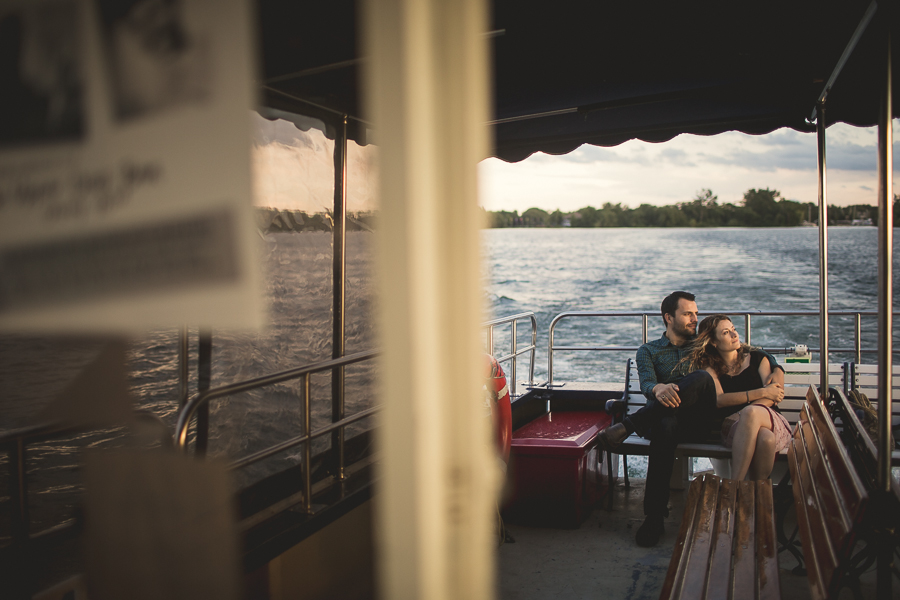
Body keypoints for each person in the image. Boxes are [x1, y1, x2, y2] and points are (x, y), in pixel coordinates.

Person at [597, 291, 783, 547]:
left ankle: (629, 426)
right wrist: (657, 389)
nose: (695, 318)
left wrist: (777, 366)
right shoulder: (648, 351)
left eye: (696, 313)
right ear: (668, 318)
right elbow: (648, 383)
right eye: (688, 314)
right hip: (663, 423)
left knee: (702, 378)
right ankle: (654, 517)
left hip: (697, 423)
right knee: (666, 422)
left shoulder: (704, 344)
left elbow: (748, 351)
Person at [685, 314, 791, 481]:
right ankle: (757, 495)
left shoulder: (758, 358)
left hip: (770, 418)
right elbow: (720, 400)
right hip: (734, 427)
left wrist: (747, 412)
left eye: (733, 329)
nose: (734, 335)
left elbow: (774, 395)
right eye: (726, 332)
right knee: (766, 439)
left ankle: (734, 486)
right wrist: (762, 392)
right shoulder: (709, 367)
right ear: (713, 341)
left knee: (751, 414)